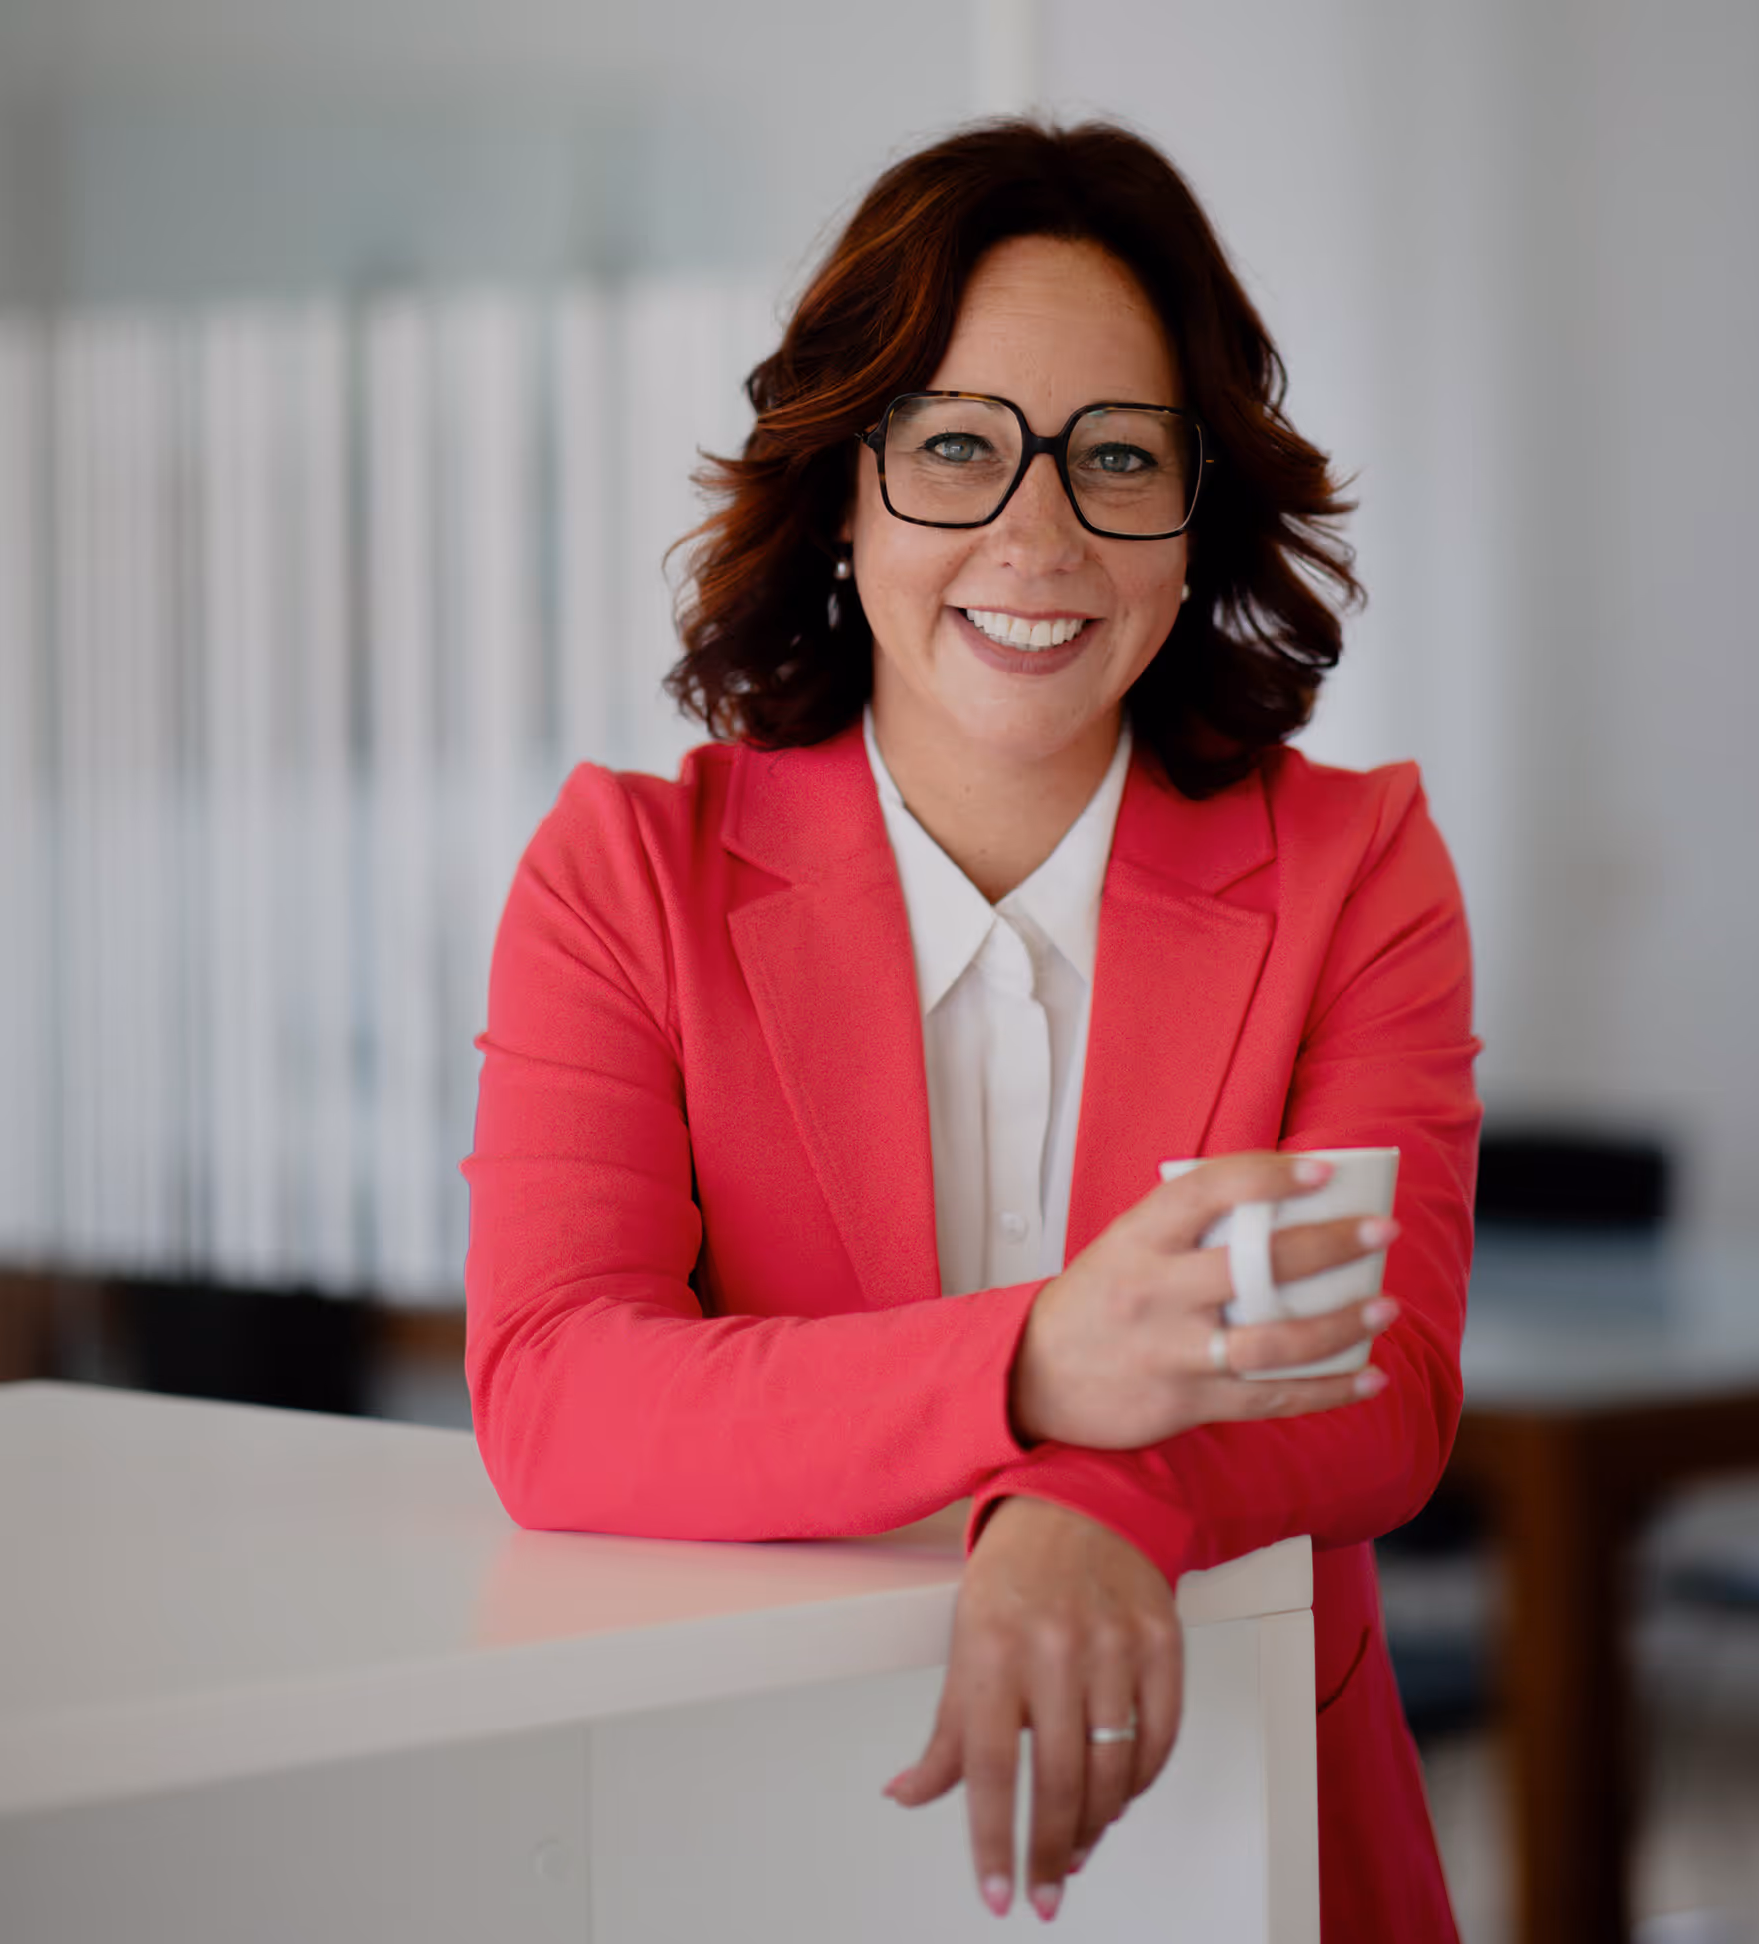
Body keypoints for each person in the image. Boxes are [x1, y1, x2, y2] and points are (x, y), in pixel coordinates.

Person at [463, 118, 1480, 1941]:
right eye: (953, 446)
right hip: (765, 1840)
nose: (1036, 533)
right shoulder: (622, 878)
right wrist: (1035, 1370)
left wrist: (1102, 1504)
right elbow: (551, 1390)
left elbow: (1376, 1392)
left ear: (1194, 522)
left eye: (1114, 458)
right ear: (842, 497)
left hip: (1260, 1830)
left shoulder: (1358, 869)